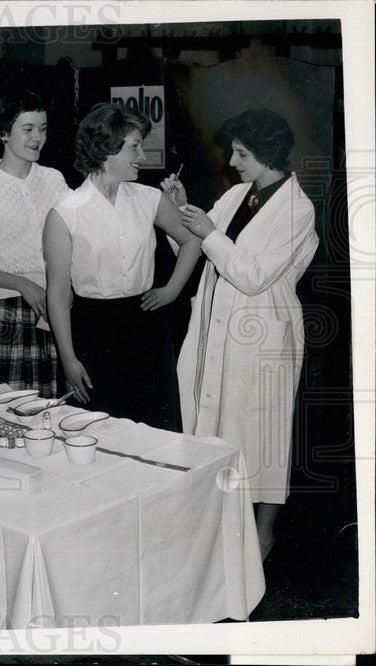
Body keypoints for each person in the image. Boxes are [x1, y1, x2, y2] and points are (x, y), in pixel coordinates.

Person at [160, 108, 318, 558]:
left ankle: (264, 533)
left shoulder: (298, 209)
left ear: (268, 154)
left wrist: (209, 233)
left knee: (264, 433)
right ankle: (220, 526)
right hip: (221, 326)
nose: (232, 161)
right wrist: (180, 210)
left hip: (263, 333)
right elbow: (197, 247)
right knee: (220, 425)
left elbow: (252, 276)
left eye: (242, 153)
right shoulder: (237, 196)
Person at [45, 102, 201, 430]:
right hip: (92, 332)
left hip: (147, 328)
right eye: (134, 146)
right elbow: (57, 294)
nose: (142, 155)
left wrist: (171, 290)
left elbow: (193, 240)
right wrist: (69, 359)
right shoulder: (65, 212)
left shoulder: (149, 199)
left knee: (155, 433)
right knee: (97, 433)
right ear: (106, 148)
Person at [0, 90, 71, 393]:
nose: (37, 138)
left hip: (59, 305)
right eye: (28, 129)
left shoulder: (54, 180)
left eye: (43, 128)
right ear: (4, 133)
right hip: (9, 313)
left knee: (59, 407)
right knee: (8, 408)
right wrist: (22, 284)